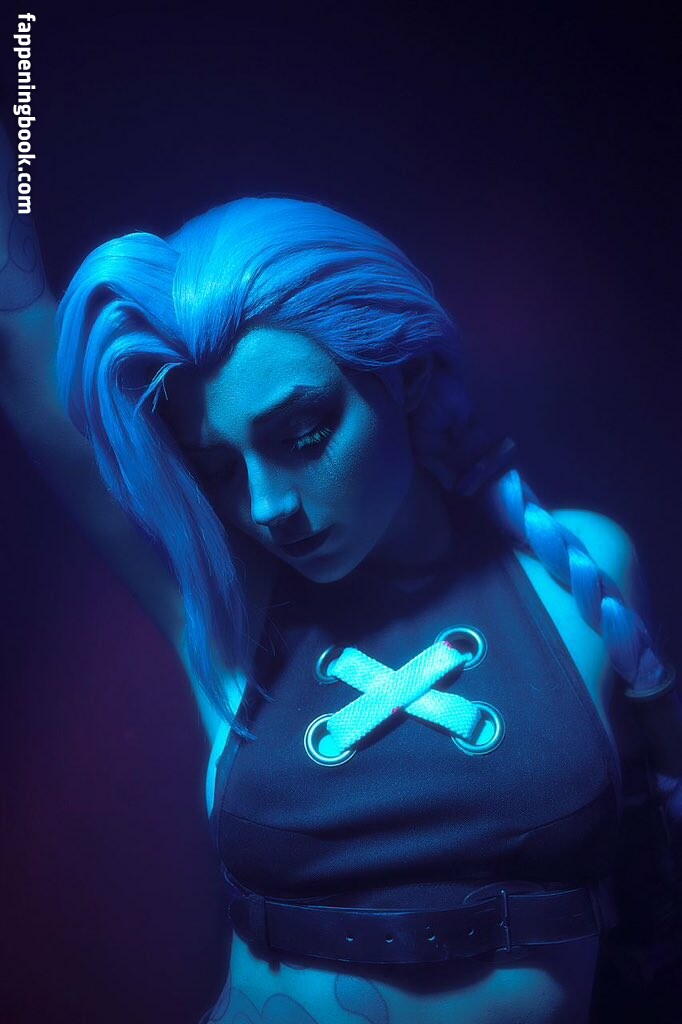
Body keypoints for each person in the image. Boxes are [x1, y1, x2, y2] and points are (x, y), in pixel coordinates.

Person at [2, 139, 680, 1022]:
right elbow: (16, 321)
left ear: (403, 377)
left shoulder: (575, 571)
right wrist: (19, 111)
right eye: (220, 467)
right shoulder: (231, 605)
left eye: (304, 433)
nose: (266, 506)